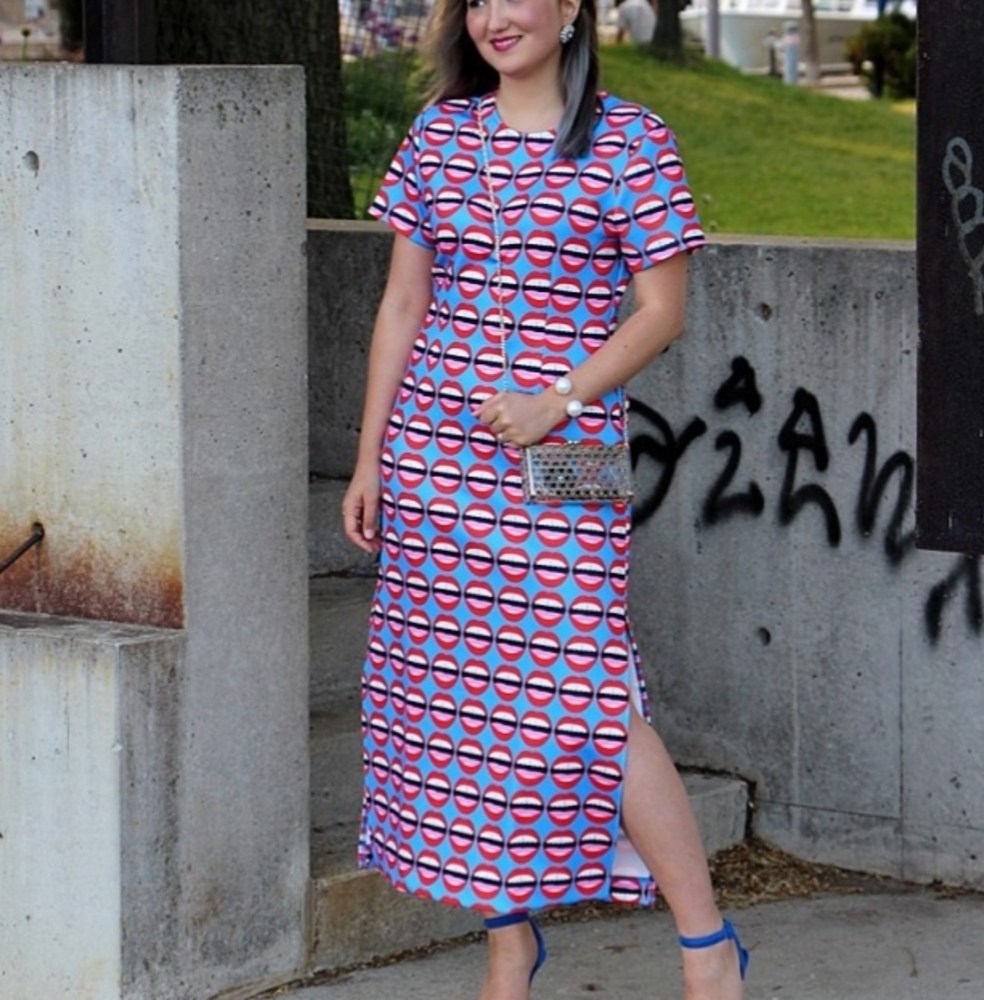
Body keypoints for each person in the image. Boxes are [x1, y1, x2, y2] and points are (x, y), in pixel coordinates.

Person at [342, 0, 749, 997]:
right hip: (438, 460)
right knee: (469, 699)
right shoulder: (441, 133)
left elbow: (663, 311)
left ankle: (706, 946)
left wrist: (555, 400)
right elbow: (403, 303)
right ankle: (508, 940)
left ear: (569, 6)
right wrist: (369, 458)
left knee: (593, 692)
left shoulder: (631, 139)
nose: (494, 16)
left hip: (573, 454)